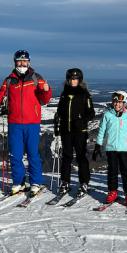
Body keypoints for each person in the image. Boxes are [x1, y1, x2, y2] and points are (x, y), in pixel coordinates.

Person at [0, 50, 52, 195]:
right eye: (19, 61)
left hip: (32, 123)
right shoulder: (9, 80)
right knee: (15, 155)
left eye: (25, 61)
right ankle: (19, 182)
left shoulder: (37, 78)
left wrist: (47, 91)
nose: (22, 64)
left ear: (29, 62)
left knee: (32, 154)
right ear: (15, 62)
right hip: (15, 123)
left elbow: (45, 99)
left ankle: (35, 182)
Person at [53, 68, 95, 198]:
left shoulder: (84, 94)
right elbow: (60, 110)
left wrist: (83, 121)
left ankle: (84, 183)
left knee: (81, 157)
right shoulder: (64, 94)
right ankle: (65, 182)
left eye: (76, 79)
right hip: (66, 130)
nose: (73, 81)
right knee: (66, 156)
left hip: (80, 131)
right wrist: (57, 123)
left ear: (80, 80)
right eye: (71, 79)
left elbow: (91, 113)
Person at [92, 91, 127, 211]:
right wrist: (98, 145)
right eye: (115, 102)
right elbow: (101, 131)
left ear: (124, 103)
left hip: (124, 149)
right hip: (111, 148)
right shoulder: (107, 115)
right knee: (112, 171)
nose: (117, 104)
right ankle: (112, 191)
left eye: (120, 102)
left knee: (126, 172)